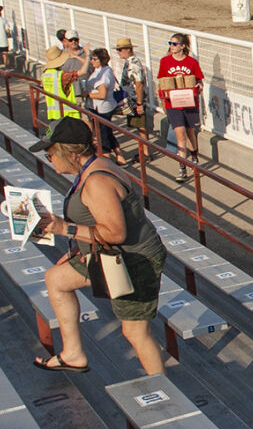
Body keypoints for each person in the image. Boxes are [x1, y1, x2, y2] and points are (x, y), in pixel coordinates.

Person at [28, 116, 168, 376]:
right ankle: (73, 354)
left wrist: (65, 229)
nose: (49, 159)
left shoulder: (96, 181)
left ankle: (163, 388)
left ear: (71, 153)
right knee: (56, 279)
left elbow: (115, 233)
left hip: (135, 262)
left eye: (50, 154)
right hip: (106, 255)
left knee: (135, 332)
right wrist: (76, 250)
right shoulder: (92, 167)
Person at [156, 33, 205, 182]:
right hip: (173, 104)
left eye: (174, 44)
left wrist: (199, 86)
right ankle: (182, 167)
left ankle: (194, 157)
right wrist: (163, 101)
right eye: (170, 43)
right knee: (180, 135)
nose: (171, 46)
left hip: (189, 102)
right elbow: (161, 83)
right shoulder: (165, 61)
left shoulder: (191, 62)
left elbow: (200, 81)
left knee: (190, 133)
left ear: (182, 46)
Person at [112, 37, 150, 165]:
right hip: (133, 99)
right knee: (139, 126)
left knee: (140, 126)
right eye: (118, 50)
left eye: (120, 49)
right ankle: (144, 151)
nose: (118, 52)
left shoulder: (133, 64)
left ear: (128, 49)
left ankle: (145, 153)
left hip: (134, 100)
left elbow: (138, 84)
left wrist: (139, 103)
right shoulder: (131, 62)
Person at [83, 48, 121, 155]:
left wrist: (87, 95)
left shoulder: (103, 75)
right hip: (104, 107)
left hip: (101, 109)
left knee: (103, 136)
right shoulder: (104, 70)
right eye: (91, 58)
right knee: (108, 133)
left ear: (102, 60)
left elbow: (102, 95)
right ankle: (119, 155)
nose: (92, 61)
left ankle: (106, 156)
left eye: (94, 59)